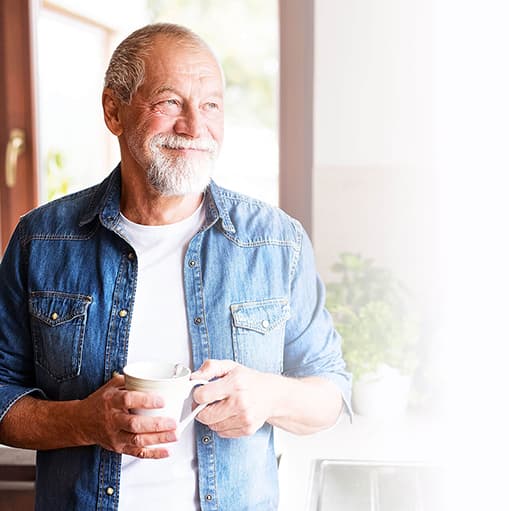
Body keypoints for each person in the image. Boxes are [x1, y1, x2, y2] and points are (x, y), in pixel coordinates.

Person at [0, 23, 350, 511]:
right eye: (170, 103)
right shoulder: (41, 240)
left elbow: (331, 395)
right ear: (113, 110)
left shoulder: (275, 240)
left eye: (210, 106)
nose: (194, 127)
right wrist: (83, 420)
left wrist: (269, 397)